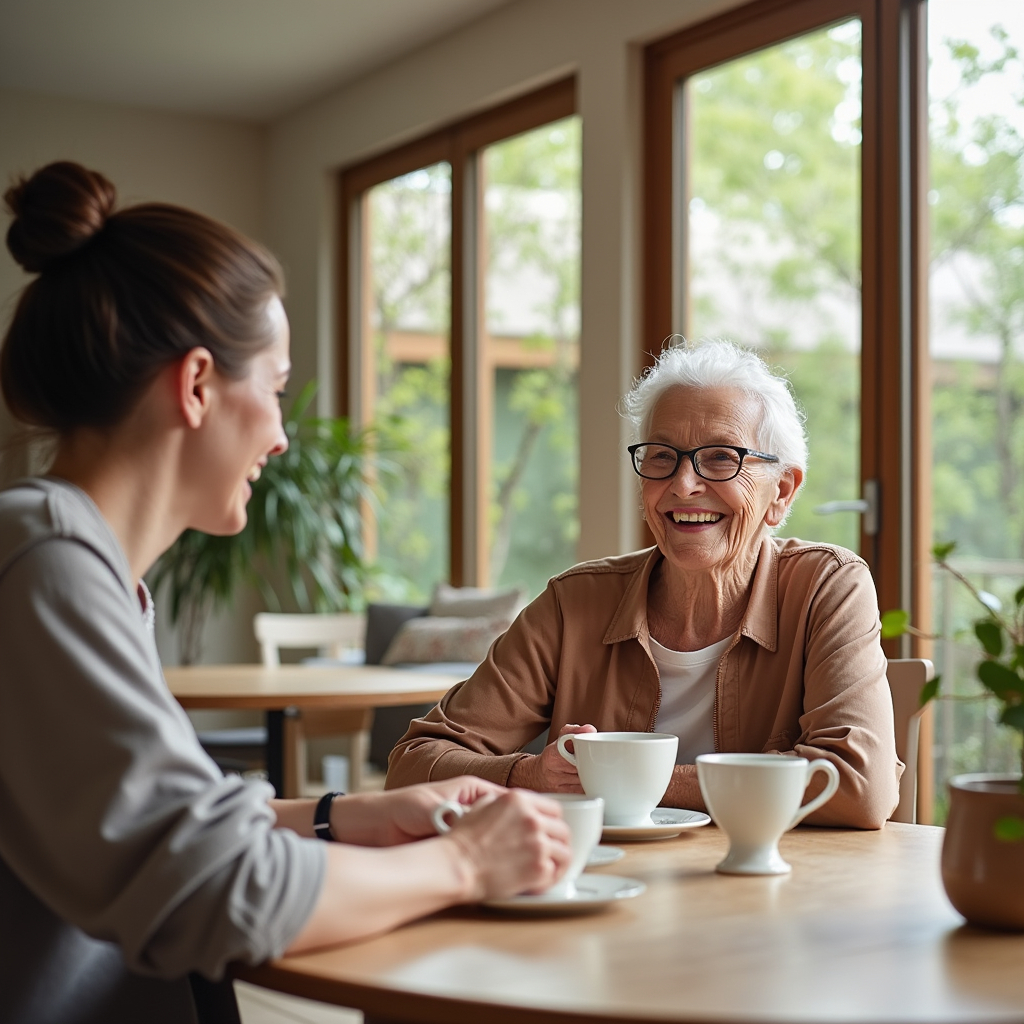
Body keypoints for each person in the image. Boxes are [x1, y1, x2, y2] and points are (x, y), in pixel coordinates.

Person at [0, 161, 572, 1024]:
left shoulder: (80, 564)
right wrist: (467, 865)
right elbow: (215, 894)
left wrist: (352, 815)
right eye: (272, 390)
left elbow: (166, 831)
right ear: (196, 386)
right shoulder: (45, 561)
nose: (280, 436)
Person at [387, 339, 903, 830]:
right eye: (661, 456)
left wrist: (626, 779)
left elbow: (859, 787)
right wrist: (530, 775)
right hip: (601, 888)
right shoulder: (575, 603)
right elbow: (412, 765)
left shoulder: (827, 587)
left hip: (775, 893)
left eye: (722, 457)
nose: (683, 484)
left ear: (782, 492)